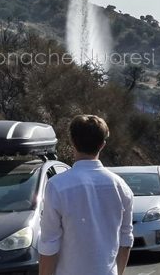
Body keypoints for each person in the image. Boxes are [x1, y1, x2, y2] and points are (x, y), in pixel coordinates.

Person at [39, 115, 134, 275]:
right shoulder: (121, 187)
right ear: (102, 145)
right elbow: (126, 241)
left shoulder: (57, 186)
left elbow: (49, 244)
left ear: (72, 142)